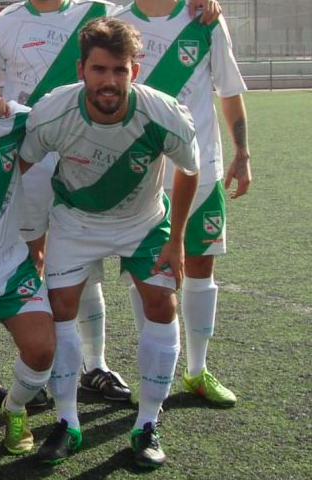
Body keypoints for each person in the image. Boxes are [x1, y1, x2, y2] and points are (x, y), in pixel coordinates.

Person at [0, 0, 220, 402]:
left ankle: (95, 366)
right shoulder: (2, 23)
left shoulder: (101, 9)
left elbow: (150, 14)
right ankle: (30, 375)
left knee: (81, 267)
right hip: (27, 149)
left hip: (86, 142)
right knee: (20, 255)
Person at [19, 17, 199, 467]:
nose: (110, 80)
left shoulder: (162, 113)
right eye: (100, 69)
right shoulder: (53, 112)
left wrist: (176, 240)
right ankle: (66, 422)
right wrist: (31, 238)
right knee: (61, 308)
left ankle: (147, 424)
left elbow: (190, 171)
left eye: (120, 69)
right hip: (75, 222)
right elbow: (21, 167)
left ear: (133, 71)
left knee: (162, 304)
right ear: (81, 69)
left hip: (142, 221)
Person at [118, 0, 251, 406]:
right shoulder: (118, 22)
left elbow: (228, 91)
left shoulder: (206, 18)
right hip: (141, 174)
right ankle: (152, 372)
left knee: (201, 265)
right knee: (147, 274)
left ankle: (197, 370)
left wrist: (242, 154)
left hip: (200, 169)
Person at [0, 46, 55, 455]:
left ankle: (15, 408)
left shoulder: (13, 121)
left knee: (42, 349)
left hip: (8, 263)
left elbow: (70, 115)